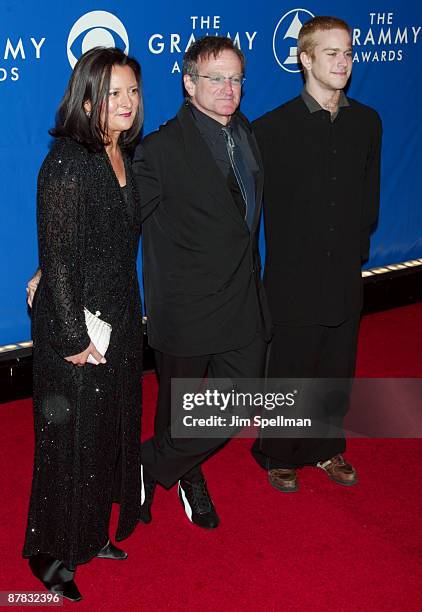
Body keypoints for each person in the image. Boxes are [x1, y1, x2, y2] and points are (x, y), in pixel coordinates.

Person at [133, 36, 271, 529]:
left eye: (235, 79)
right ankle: (187, 477)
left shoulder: (245, 133)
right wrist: (58, 262)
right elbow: (117, 222)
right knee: (178, 408)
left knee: (244, 397)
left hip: (241, 302)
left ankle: (145, 465)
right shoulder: (159, 150)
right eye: (216, 78)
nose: (228, 89)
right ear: (189, 83)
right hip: (187, 308)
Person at [23, 47, 144, 601]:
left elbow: (85, 240)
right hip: (75, 329)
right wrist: (72, 339)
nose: (125, 102)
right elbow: (61, 256)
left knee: (103, 439)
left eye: (133, 91)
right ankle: (50, 554)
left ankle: (90, 533)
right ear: (87, 98)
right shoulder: (68, 162)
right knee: (68, 444)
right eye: (113, 92)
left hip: (116, 318)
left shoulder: (123, 152)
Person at [251, 16, 382, 492]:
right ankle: (279, 451)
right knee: (292, 367)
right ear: (304, 59)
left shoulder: (367, 122)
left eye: (348, 52)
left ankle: (327, 447)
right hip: (291, 275)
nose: (343, 61)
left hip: (345, 270)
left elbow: (370, 198)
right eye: (331, 53)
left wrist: (353, 252)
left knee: (336, 365)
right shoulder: (270, 129)